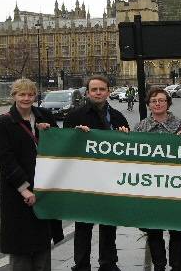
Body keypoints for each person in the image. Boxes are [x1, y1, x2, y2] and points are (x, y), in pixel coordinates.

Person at [0, 78, 63, 271]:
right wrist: (25, 190)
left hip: (43, 191)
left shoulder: (44, 116)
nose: (26, 98)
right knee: (21, 250)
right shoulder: (4, 123)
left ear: (35, 96)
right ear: (14, 96)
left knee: (42, 247)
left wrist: (47, 133)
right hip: (18, 196)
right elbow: (6, 161)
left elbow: (61, 145)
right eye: (21, 94)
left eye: (30, 94)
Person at [63, 75, 130, 271]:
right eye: (94, 90)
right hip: (85, 180)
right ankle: (81, 264)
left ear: (108, 91)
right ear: (88, 92)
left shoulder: (118, 116)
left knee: (109, 225)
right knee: (83, 226)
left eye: (102, 89)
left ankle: (108, 263)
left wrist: (125, 135)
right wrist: (75, 135)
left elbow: (127, 150)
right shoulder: (75, 116)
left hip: (110, 179)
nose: (98, 93)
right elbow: (65, 146)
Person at [133, 87, 181, 271]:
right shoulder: (141, 127)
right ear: (148, 104)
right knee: (154, 229)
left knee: (177, 229)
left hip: (175, 187)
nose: (157, 103)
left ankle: (176, 265)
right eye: (154, 101)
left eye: (162, 100)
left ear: (168, 103)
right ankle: (159, 265)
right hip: (151, 187)